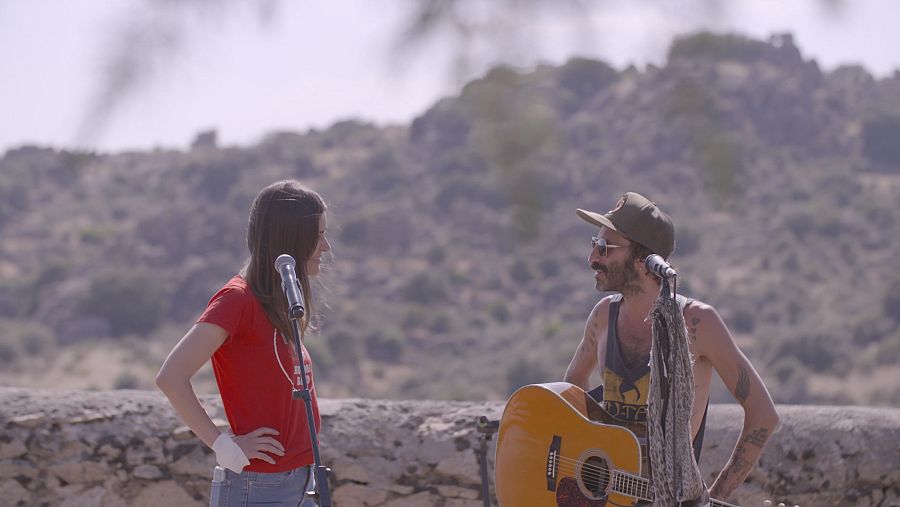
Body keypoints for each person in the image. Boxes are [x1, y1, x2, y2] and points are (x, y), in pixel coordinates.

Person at [564, 191, 779, 503]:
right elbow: (571, 388)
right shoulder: (602, 316)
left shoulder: (697, 323)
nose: (592, 258)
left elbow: (763, 415)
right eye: (594, 245)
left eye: (604, 248)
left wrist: (713, 496)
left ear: (643, 259)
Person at [156, 180, 331, 507]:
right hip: (258, 487)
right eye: (319, 236)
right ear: (292, 238)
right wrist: (223, 446)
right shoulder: (237, 300)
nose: (326, 247)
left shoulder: (280, 303)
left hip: (301, 482)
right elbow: (171, 376)